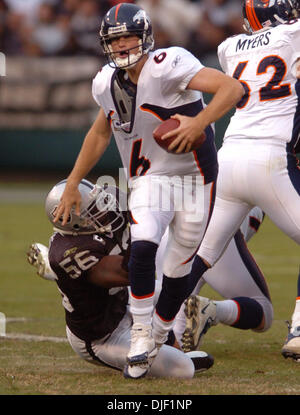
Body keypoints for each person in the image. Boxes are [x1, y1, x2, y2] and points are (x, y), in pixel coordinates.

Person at [52, 3, 244, 378]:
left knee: (177, 268)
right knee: (143, 244)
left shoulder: (169, 63)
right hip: (148, 180)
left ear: (144, 37)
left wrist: (199, 123)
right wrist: (73, 181)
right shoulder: (104, 82)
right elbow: (100, 132)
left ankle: (156, 337)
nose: (122, 45)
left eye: (128, 37)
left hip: (194, 180)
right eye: (115, 39)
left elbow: (231, 87)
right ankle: (141, 333)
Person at [163, 0, 300, 361]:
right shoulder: (293, 34)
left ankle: (154, 333)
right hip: (271, 159)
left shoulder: (229, 47)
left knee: (199, 256)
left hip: (230, 158)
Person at [27, 179, 214, 379]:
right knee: (183, 370)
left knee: (175, 293)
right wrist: (145, 229)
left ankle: (171, 351)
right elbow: (133, 273)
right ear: (72, 220)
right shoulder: (70, 253)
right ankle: (171, 357)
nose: (103, 210)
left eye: (99, 202)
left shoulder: (102, 217)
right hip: (101, 336)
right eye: (93, 210)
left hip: (123, 302)